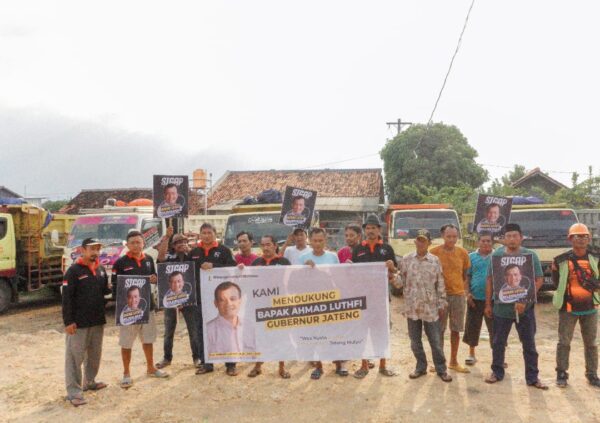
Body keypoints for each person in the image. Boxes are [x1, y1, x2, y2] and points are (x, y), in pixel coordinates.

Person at [484, 223, 548, 389]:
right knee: (498, 342)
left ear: (521, 237)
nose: (512, 239)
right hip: (501, 310)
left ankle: (533, 377)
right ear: (504, 239)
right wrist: (488, 304)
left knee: (529, 344)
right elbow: (490, 280)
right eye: (508, 236)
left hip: (525, 310)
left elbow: (539, 279)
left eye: (515, 236)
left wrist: (525, 300)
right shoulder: (496, 256)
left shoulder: (530, 255)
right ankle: (497, 372)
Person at [113, 231, 168, 389]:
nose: (136, 245)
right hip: (128, 310)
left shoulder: (149, 260)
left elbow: (155, 278)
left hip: (147, 306)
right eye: (133, 243)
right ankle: (126, 373)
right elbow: (116, 286)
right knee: (126, 342)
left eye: (139, 242)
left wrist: (154, 279)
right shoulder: (120, 263)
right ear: (127, 245)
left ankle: (151, 367)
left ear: (143, 243)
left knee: (148, 339)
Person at [396, 229, 452, 382]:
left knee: (435, 340)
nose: (420, 243)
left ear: (429, 243)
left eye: (424, 240)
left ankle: (441, 369)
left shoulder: (434, 261)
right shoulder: (406, 259)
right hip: (412, 307)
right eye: (418, 240)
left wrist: (442, 303)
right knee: (415, 341)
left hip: (430, 308)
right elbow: (400, 282)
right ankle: (420, 367)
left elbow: (440, 283)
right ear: (415, 241)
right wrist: (393, 276)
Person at [62, 238, 111, 407]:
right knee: (75, 358)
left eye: (97, 249)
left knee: (94, 355)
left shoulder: (101, 270)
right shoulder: (73, 271)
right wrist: (68, 321)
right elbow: (66, 298)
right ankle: (74, 392)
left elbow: (105, 291)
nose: (95, 252)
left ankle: (90, 381)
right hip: (78, 324)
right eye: (92, 249)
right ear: (82, 250)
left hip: (97, 321)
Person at [552, 223, 600, 388]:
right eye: (577, 236)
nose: (581, 239)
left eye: (584, 236)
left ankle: (592, 374)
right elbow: (556, 282)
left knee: (592, 343)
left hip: (591, 308)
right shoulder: (561, 260)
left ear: (588, 238)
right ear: (570, 239)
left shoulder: (596, 257)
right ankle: (562, 373)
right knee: (564, 342)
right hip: (568, 308)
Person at [351, 214, 398, 379]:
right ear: (364, 231)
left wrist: (392, 268)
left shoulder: (387, 249)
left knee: (381, 331)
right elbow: (352, 275)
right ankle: (364, 365)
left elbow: (394, 275)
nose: (370, 231)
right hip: (363, 299)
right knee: (362, 331)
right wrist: (349, 268)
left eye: (373, 228)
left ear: (379, 229)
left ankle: (383, 365)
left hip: (381, 298)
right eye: (367, 228)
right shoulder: (357, 250)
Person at [190, 222, 238, 376]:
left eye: (209, 232)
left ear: (215, 233)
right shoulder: (194, 252)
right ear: (200, 235)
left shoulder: (224, 250)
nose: (206, 235)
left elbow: (232, 268)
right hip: (200, 300)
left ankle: (230, 364)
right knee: (202, 330)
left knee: (227, 329)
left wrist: (214, 265)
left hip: (222, 300)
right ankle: (206, 363)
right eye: (203, 233)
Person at [244, 234, 291, 378]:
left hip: (279, 305)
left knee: (281, 337)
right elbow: (249, 282)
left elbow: (292, 280)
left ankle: (282, 368)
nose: (265, 247)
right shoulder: (256, 262)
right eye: (263, 245)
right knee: (260, 336)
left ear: (275, 245)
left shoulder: (284, 262)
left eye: (268, 244)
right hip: (261, 306)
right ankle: (258, 366)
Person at [299, 228, 343, 380]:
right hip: (312, 303)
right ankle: (318, 366)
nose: (317, 244)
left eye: (320, 240)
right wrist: (305, 269)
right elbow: (296, 281)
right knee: (315, 335)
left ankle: (338, 365)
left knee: (335, 334)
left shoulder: (333, 257)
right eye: (315, 241)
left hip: (330, 301)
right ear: (310, 241)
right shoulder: (303, 258)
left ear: (325, 241)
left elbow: (338, 278)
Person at [155, 230, 202, 370]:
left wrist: (193, 246)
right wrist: (167, 237)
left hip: (189, 298)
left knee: (193, 330)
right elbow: (160, 258)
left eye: (184, 241)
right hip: (171, 299)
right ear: (173, 246)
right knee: (169, 329)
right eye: (178, 242)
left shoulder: (193, 255)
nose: (181, 244)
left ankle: (197, 357)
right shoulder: (169, 257)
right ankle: (167, 358)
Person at [430, 224, 471, 374]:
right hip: (440, 297)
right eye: (449, 236)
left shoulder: (463, 253)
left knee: (456, 329)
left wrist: (464, 290)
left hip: (458, 296)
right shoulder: (434, 253)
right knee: (438, 330)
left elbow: (465, 274)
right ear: (443, 236)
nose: (452, 239)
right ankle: (438, 362)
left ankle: (453, 361)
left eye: (454, 236)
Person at [463, 232, 494, 367]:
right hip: (475, 299)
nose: (486, 243)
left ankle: (498, 356)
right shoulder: (471, 257)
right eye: (483, 241)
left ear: (492, 243)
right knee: (472, 327)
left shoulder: (497, 257)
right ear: (478, 242)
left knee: (495, 329)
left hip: (493, 300)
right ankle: (471, 354)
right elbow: (467, 277)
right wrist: (467, 293)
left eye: (488, 241)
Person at [206, 282, 256, 356]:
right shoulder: (208, 330)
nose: (228, 304)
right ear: (215, 303)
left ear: (240, 301)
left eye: (233, 299)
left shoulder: (251, 327)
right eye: (222, 300)